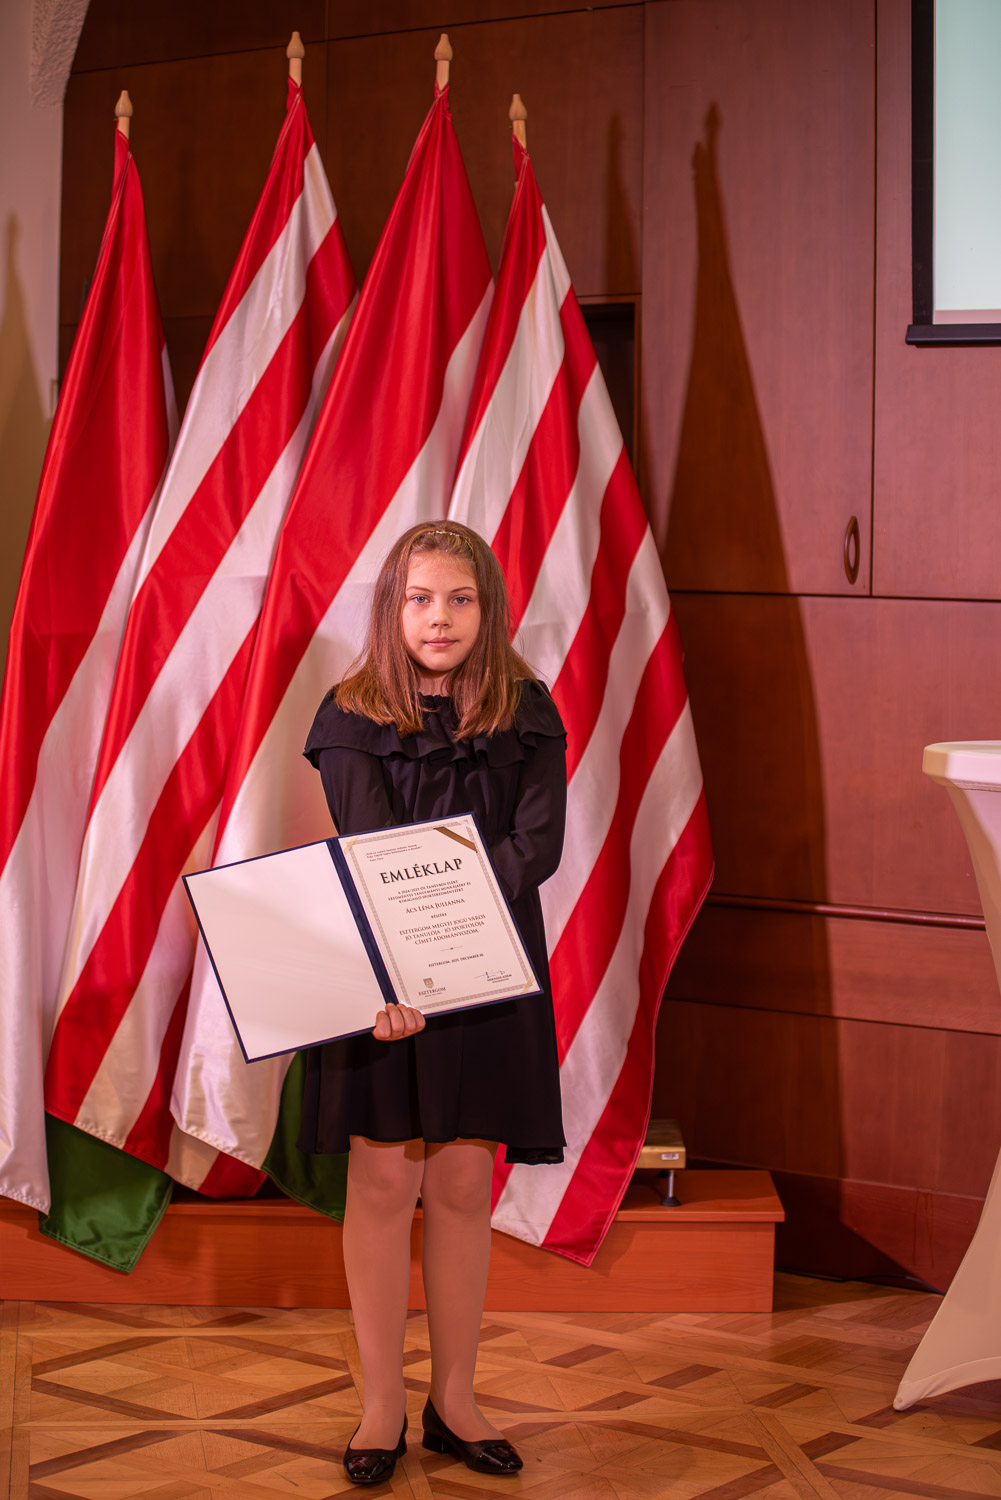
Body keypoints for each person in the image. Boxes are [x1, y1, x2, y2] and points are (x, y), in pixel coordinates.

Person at [300, 520, 568, 1485]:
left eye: (460, 599)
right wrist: (408, 971)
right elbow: (372, 855)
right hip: (385, 984)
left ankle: (454, 1402)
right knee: (382, 1186)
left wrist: (458, 948)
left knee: (460, 1186)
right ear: (392, 608)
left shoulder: (528, 712)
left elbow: (536, 847)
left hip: (488, 978)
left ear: (488, 609)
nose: (440, 618)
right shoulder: (350, 716)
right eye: (420, 599)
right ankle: (380, 1406)